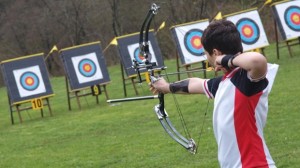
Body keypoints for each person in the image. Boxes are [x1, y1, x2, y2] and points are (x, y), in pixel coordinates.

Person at [149, 19, 276, 168]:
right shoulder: (223, 83)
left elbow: (258, 60)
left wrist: (223, 59)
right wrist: (166, 86)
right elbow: (195, 83)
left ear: (215, 53)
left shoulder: (247, 81)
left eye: (207, 54)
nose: (207, 59)